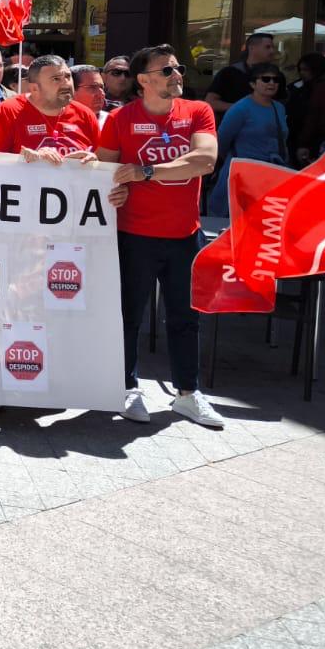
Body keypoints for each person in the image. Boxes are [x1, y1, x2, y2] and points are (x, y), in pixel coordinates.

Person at [96, 44, 225, 429]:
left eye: (178, 68)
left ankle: (187, 394)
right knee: (128, 317)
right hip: (133, 235)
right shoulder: (121, 118)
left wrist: (145, 172)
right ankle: (126, 387)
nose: (177, 75)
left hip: (185, 235)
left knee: (186, 318)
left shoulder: (197, 111)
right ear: (144, 80)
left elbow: (205, 160)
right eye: (167, 70)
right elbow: (103, 172)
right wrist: (115, 186)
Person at [0, 55, 101, 161]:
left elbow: (103, 162)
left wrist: (94, 161)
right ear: (34, 89)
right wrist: (24, 160)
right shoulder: (6, 113)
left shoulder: (85, 115)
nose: (66, 84)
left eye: (68, 77)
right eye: (56, 79)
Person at [207, 64, 289, 217]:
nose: (271, 83)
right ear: (252, 84)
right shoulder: (240, 108)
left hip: (271, 173)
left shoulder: (279, 107)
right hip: (244, 173)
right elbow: (222, 140)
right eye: (265, 79)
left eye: (275, 80)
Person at [205, 32, 280, 118]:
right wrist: (242, 108)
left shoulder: (276, 75)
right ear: (252, 48)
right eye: (267, 47)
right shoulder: (229, 73)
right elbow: (210, 101)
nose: (272, 51)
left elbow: (281, 101)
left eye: (272, 47)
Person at [287, 53, 325, 165]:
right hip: (297, 136)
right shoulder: (297, 87)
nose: (302, 73)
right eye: (300, 70)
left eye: (306, 70)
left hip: (319, 138)